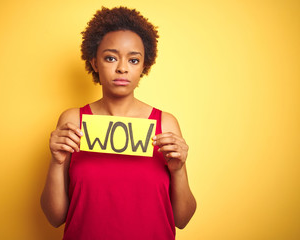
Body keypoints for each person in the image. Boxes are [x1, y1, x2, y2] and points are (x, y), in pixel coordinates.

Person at [41, 6, 196, 240]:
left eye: (133, 60)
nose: (122, 68)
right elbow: (54, 218)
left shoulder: (165, 124)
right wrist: (55, 162)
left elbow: (182, 219)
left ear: (144, 65)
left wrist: (179, 169)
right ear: (94, 62)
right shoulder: (73, 121)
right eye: (111, 58)